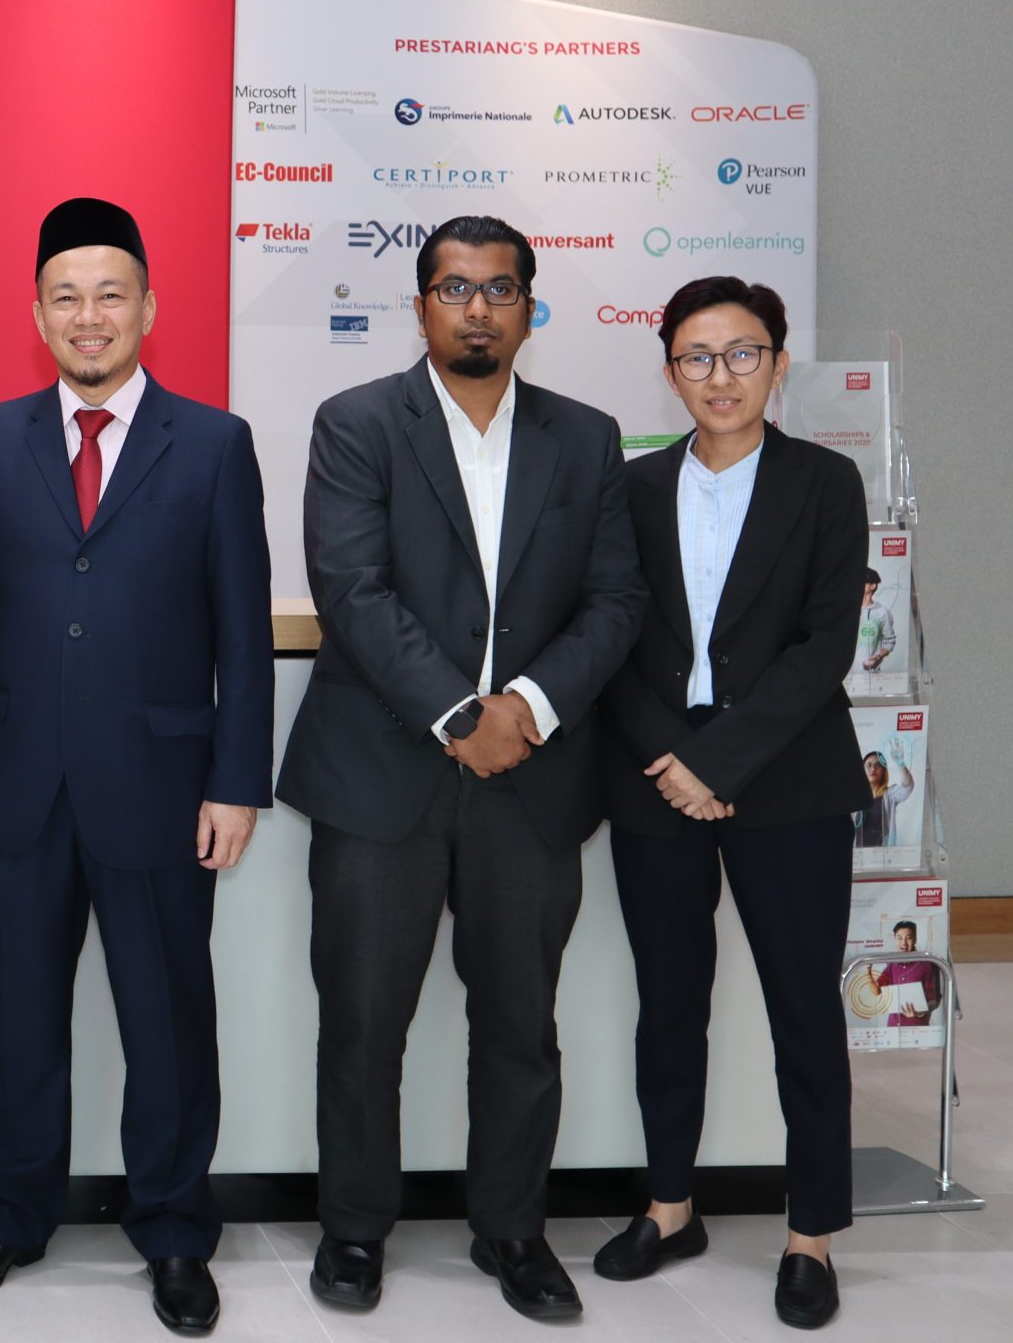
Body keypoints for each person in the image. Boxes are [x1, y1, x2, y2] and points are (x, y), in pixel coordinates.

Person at [276, 216, 645, 1322]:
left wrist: (524, 710)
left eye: (498, 290)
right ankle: (353, 1230)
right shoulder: (355, 423)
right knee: (361, 1021)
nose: (476, 309)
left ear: (529, 306)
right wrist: (457, 715)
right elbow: (351, 588)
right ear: (420, 305)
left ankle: (513, 1230)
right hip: (379, 775)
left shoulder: (587, 437)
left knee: (521, 1024)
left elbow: (615, 598)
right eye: (454, 289)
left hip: (529, 776)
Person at [0, 199, 273, 1336]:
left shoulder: (213, 444)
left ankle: (173, 1229)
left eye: (109, 293)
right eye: (65, 296)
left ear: (147, 308)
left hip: (164, 790)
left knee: (166, 1021)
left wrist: (236, 781)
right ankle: (10, 1215)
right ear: (37, 315)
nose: (89, 316)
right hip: (17, 787)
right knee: (18, 1021)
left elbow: (241, 632)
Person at [591, 275, 866, 1330]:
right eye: (697, 357)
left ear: (777, 363)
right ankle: (670, 1206)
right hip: (655, 776)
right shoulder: (630, 488)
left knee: (804, 1011)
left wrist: (721, 762)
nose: (721, 376)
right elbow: (609, 634)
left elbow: (823, 647)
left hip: (788, 779)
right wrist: (673, 759)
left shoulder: (825, 483)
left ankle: (811, 1233)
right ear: (670, 372)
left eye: (743, 353)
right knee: (670, 1006)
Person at [873, 921, 943, 1030]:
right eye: (899, 938)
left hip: (917, 1029)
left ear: (915, 939)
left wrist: (919, 1012)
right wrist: (868, 973)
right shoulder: (891, 963)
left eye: (908, 938)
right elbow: (877, 989)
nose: (904, 943)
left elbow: (934, 1000)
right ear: (894, 939)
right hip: (892, 1027)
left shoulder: (928, 964)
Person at [855, 570, 898, 677]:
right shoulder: (848, 611)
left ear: (873, 586)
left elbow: (890, 641)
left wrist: (878, 657)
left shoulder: (882, 613)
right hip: (846, 677)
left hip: (869, 675)